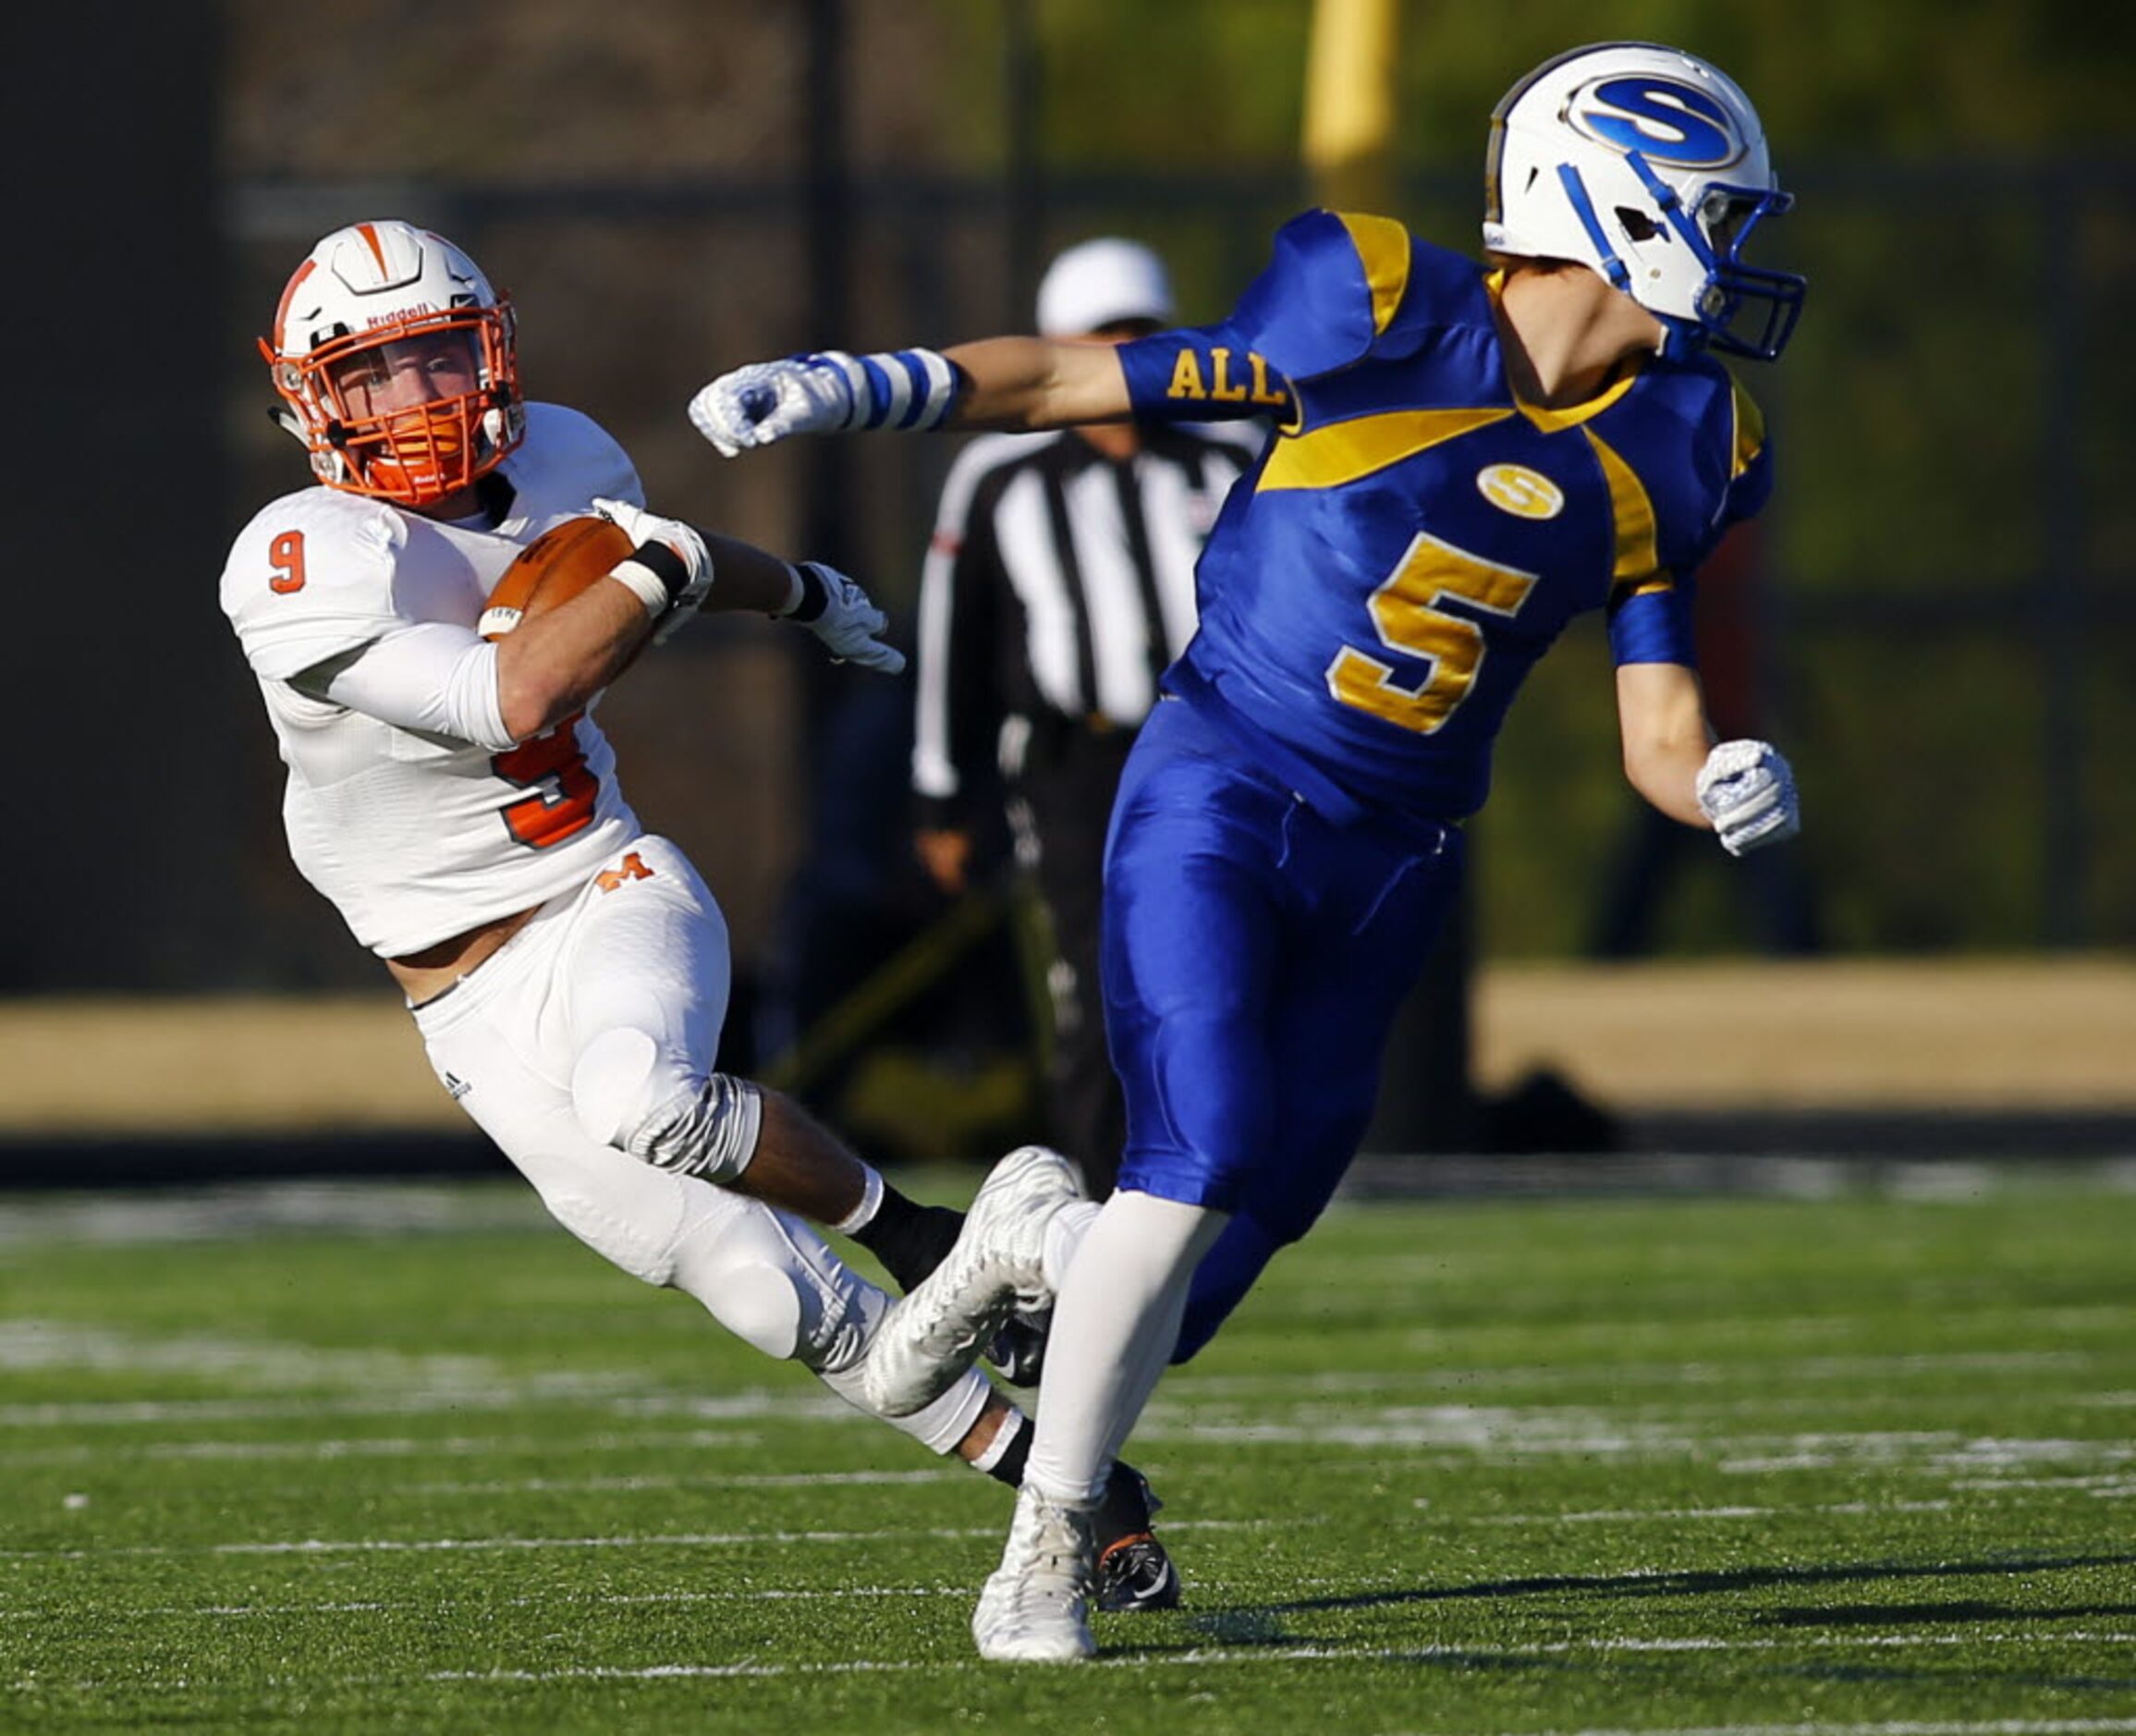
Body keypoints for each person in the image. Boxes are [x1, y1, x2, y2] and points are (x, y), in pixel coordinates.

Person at [690, 39, 1806, 1662]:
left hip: (1396, 862)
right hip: (1220, 784)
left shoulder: (1689, 437)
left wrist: (1723, 787)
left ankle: (1020, 1235)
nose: (1743, 249)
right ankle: (1043, 1554)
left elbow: (1656, 732)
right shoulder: (1377, 300)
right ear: (1619, 205)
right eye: (1720, 210)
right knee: (1194, 1151)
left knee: (1186, 1287)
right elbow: (1079, 381)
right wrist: (871, 385)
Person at [217, 218, 1176, 1607]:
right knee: (759, 1287)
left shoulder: (564, 459)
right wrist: (666, 568)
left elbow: (657, 562)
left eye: (435, 359)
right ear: (315, 401)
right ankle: (1076, 1488)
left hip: (601, 885)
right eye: (375, 374)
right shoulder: (301, 556)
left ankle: (916, 1230)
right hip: (460, 998)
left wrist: (800, 592)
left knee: (641, 1091)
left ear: (488, 353)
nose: (416, 400)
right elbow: (512, 695)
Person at [911, 237, 1259, 1201]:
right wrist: (943, 793)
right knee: (1096, 977)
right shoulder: (1001, 473)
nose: (1122, 360)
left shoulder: (1232, 449)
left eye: (1139, 338)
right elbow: (958, 636)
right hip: (1079, 760)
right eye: (1102, 340)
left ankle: (1219, 1180)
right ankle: (1111, 1195)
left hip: (1222, 750)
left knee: (1226, 970)